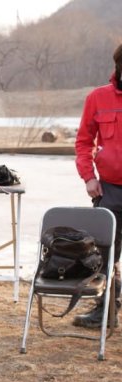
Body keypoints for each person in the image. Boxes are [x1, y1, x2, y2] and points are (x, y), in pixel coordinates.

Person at [73, 42, 122, 329]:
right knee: (105, 253)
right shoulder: (98, 98)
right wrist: (88, 177)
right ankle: (105, 311)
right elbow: (83, 142)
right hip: (110, 190)